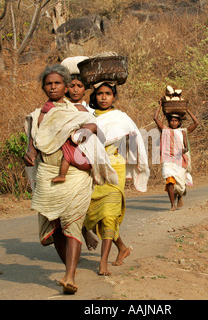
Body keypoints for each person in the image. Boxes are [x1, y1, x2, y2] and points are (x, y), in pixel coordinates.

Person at [23, 64, 107, 294]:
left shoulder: (78, 112)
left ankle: (69, 276)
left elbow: (97, 130)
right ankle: (70, 268)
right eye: (48, 83)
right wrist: (29, 154)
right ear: (43, 87)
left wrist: (86, 132)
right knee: (56, 225)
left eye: (57, 83)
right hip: (48, 174)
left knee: (72, 221)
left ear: (65, 86)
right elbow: (32, 145)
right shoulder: (36, 116)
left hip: (76, 176)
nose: (53, 87)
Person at [84, 81, 150, 276]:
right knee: (94, 212)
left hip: (114, 167)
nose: (103, 97)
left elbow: (136, 139)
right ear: (94, 96)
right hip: (91, 168)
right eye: (99, 94)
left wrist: (139, 163)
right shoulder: (86, 115)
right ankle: (122, 247)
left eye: (107, 93)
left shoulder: (121, 118)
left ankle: (103, 262)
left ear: (114, 97)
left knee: (109, 214)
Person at [154, 101, 199, 210]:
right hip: (167, 160)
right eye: (172, 121)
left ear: (179, 122)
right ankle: (172, 205)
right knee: (169, 181)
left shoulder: (183, 131)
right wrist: (162, 108)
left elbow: (196, 123)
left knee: (180, 185)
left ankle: (179, 196)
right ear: (169, 122)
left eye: (175, 121)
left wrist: (187, 110)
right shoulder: (165, 130)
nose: (173, 123)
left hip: (179, 160)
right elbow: (156, 119)